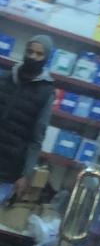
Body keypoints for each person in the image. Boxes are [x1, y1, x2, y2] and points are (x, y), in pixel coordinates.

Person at [0, 34, 55, 201]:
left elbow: (37, 138)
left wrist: (26, 174)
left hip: (8, 168)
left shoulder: (46, 92)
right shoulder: (4, 78)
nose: (33, 57)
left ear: (46, 58)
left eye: (39, 54)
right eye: (30, 52)